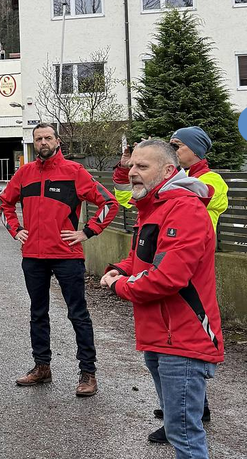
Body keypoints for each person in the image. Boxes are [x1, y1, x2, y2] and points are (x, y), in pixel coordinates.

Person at [101, 139, 223, 459]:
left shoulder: (183, 209)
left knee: (183, 432)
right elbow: (141, 260)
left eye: (143, 167)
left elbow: (167, 277)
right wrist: (117, 270)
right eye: (132, 166)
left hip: (182, 338)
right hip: (158, 335)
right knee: (176, 426)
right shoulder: (152, 207)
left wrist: (119, 286)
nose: (132, 173)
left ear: (168, 170)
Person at [0, 124, 118, 397]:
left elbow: (109, 203)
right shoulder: (25, 173)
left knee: (78, 313)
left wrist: (87, 231)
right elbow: (4, 203)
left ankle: (88, 372)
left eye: (47, 137)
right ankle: (42, 367)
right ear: (33, 143)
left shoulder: (74, 172)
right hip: (33, 256)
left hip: (67, 255)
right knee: (38, 313)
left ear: (57, 140)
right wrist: (16, 229)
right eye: (38, 138)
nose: (43, 142)